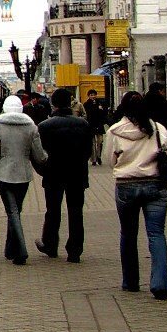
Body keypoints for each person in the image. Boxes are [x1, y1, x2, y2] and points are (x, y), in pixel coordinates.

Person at [107, 90, 167, 299]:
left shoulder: (115, 131)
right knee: (156, 234)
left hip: (126, 185)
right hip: (154, 185)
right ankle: (160, 284)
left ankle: (131, 281)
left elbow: (110, 160)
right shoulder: (156, 128)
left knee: (128, 234)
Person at [0, 94, 48, 265]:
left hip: (4, 174)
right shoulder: (31, 127)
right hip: (23, 175)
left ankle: (21, 251)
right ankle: (11, 249)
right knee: (16, 210)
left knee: (12, 212)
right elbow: (40, 156)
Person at [36, 88, 93, 263]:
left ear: (53, 104)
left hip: (53, 174)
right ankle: (75, 250)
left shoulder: (44, 126)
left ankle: (50, 245)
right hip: (77, 174)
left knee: (52, 211)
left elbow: (40, 154)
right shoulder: (83, 124)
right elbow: (88, 151)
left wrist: (44, 170)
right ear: (70, 103)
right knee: (76, 211)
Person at [85, 94, 108, 166]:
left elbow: (105, 113)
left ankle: (99, 156)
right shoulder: (86, 104)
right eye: (91, 95)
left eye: (94, 95)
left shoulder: (100, 103)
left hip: (99, 125)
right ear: (88, 96)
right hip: (90, 126)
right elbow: (87, 114)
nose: (93, 96)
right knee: (92, 143)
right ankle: (93, 159)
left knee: (100, 141)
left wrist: (102, 109)